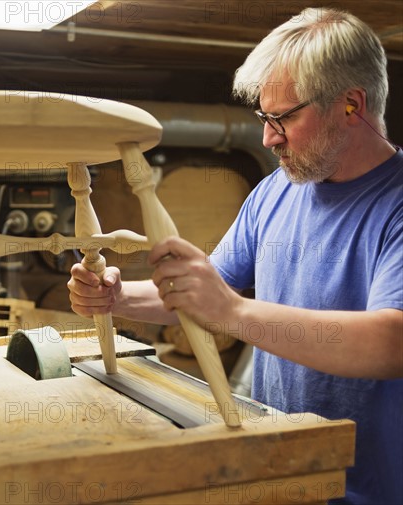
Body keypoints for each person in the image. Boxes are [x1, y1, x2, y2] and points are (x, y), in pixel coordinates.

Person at [67, 8, 402, 505]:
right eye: (263, 119)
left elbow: (390, 343)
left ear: (351, 105)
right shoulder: (274, 192)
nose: (268, 138)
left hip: (364, 489)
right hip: (277, 472)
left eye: (284, 117)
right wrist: (116, 296)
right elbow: (205, 292)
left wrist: (233, 311)